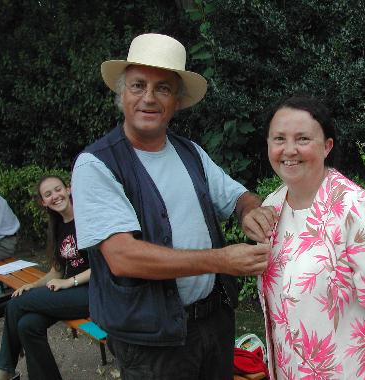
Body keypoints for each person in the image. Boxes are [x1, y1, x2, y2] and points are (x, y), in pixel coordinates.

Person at [71, 33, 276, 380]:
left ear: (177, 101)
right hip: (151, 340)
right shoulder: (96, 165)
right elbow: (123, 257)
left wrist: (250, 210)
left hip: (213, 321)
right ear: (122, 94)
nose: (148, 98)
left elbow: (237, 195)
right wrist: (222, 260)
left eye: (163, 88)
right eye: (138, 85)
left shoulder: (191, 151)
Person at [258, 95, 365, 379]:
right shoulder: (273, 205)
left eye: (302, 139)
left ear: (327, 146)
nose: (289, 150)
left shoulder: (356, 210)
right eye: (279, 139)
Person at [0, 175, 90, 380]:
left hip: (94, 292)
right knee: (27, 325)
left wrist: (69, 282)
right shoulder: (57, 227)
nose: (55, 196)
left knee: (16, 305)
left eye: (58, 189)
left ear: (68, 190)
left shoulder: (88, 219)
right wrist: (32, 285)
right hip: (69, 293)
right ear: (43, 202)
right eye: (48, 194)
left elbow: (104, 266)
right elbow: (56, 272)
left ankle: (4, 371)